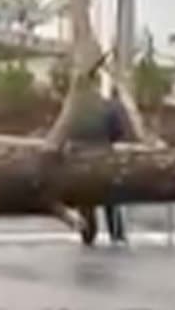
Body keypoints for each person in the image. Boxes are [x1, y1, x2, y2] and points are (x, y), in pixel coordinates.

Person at [69, 83, 130, 247]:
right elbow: (118, 132)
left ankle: (88, 233)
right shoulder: (109, 107)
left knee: (86, 199)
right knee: (110, 197)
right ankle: (117, 233)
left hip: (82, 158)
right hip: (104, 154)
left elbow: (69, 131)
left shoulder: (75, 110)